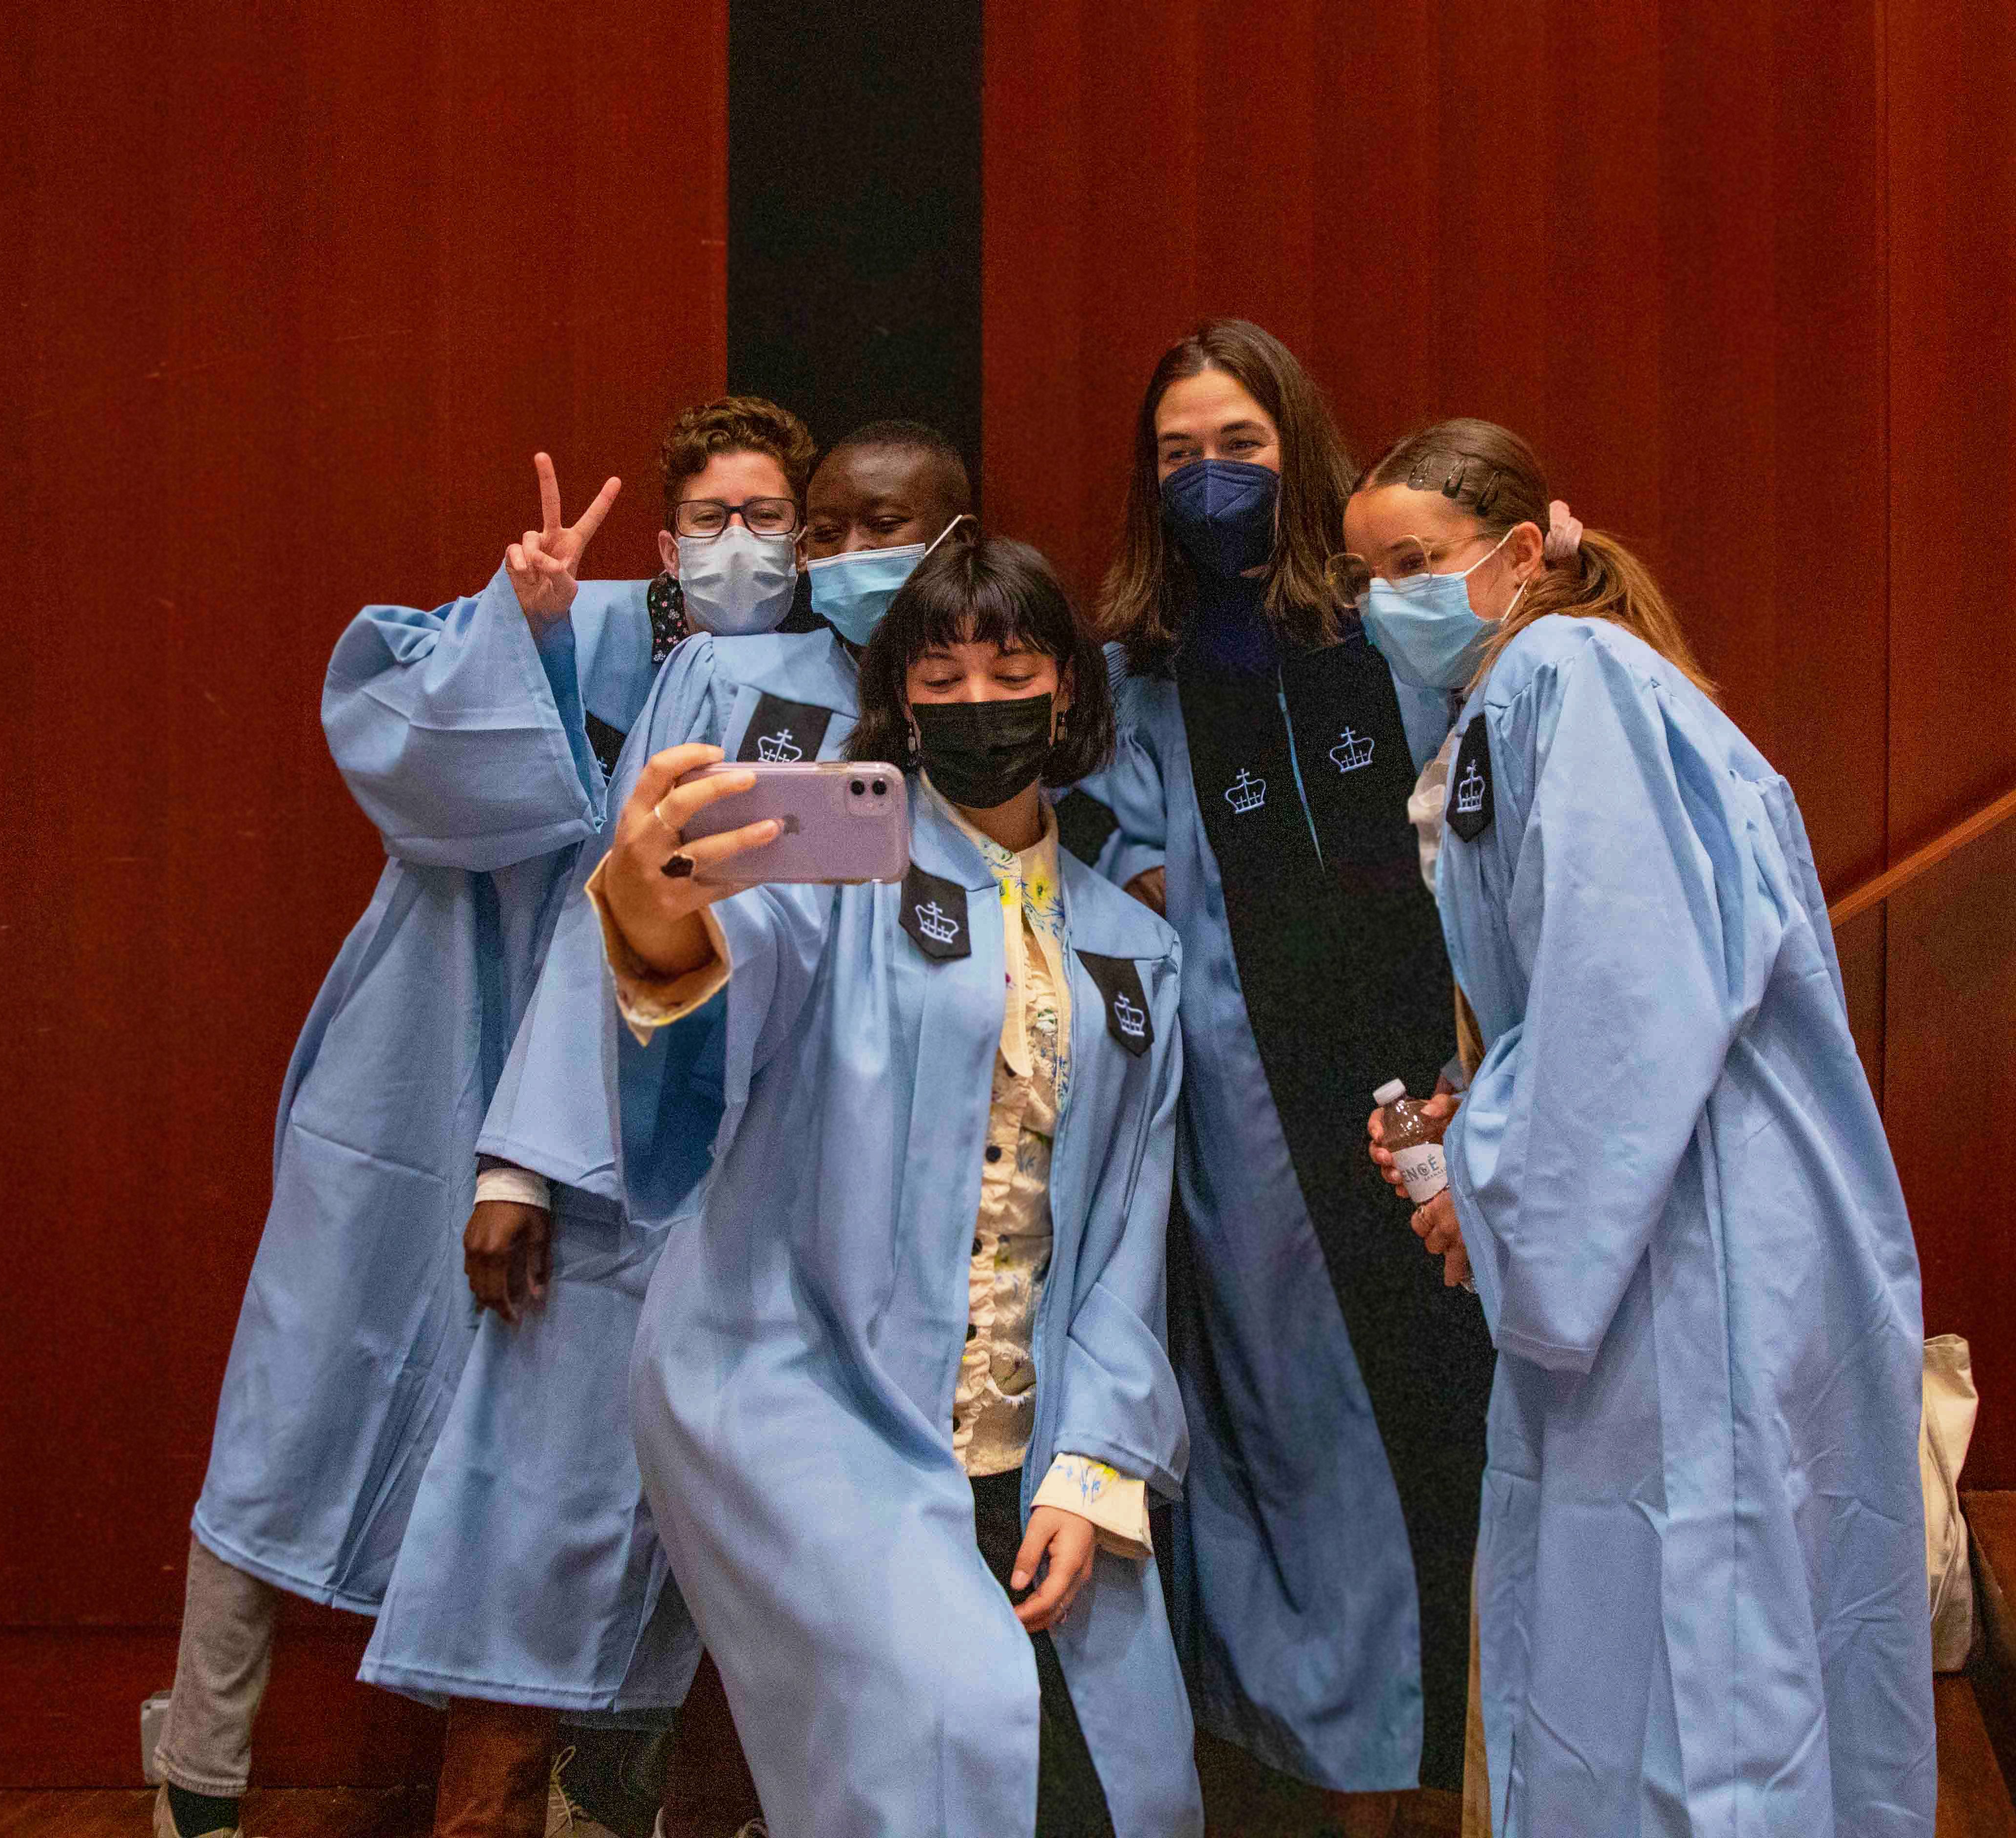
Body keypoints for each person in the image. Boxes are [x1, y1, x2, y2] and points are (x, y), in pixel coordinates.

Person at [1342, 419, 1934, 1834]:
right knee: (1689, 1637)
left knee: (1695, 1662)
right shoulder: (1538, 693)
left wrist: (1483, 1190)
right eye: (1366, 576)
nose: (1388, 603)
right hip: (1667, 1212)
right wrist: (1478, 1116)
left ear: (1522, 555)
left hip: (1679, 1228)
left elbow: (1630, 995)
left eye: (1417, 563)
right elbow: (1589, 991)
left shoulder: (1563, 674)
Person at [396, 415, 975, 1838]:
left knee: (782, 1575)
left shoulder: (983, 681)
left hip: (830, 1199)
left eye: (874, 532)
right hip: (638, 1160)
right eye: (820, 531)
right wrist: (521, 1158)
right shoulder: (725, 667)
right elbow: (622, 897)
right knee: (530, 1543)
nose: (839, 560)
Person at [590, 530, 1201, 1836]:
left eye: (1011, 664)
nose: (977, 700)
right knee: (943, 1717)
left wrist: (1093, 1466)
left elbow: (1123, 1244)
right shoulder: (833, 856)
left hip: (1028, 1432)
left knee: (1130, 1782)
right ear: (898, 707)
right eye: (939, 675)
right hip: (804, 1388)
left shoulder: (1135, 951)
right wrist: (653, 919)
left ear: (1068, 692)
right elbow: (718, 982)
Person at [154, 449, 651, 1838]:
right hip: (411, 1072)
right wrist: (533, 626)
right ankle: (197, 1776)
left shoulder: (755, 681)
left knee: (574, 1458)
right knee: (289, 1406)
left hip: (595, 1100)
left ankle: (576, 1780)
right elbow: (423, 760)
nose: (741, 546)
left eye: (767, 519)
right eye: (712, 518)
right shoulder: (559, 613)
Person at [1087, 319, 1490, 1823]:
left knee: (1451, 1416)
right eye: (1178, 454)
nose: (1209, 478)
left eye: (1238, 448)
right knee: (1297, 1441)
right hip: (1248, 1118)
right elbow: (1119, 866)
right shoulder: (1138, 670)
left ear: (1298, 448)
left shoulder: (1393, 625)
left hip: (1432, 1090)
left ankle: (1448, 1762)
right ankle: (1328, 1762)